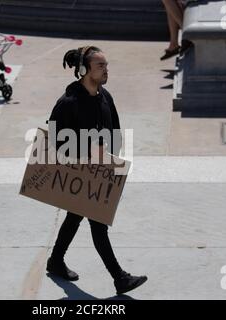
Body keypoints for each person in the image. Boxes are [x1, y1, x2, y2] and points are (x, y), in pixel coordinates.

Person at [46, 46, 148, 295]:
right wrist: (86, 152)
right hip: (80, 173)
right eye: (100, 66)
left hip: (101, 172)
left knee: (75, 215)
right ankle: (120, 278)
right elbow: (53, 141)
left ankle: (55, 261)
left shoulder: (105, 96)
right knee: (98, 223)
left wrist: (112, 162)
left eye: (106, 65)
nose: (106, 70)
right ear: (84, 70)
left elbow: (115, 131)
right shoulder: (69, 102)